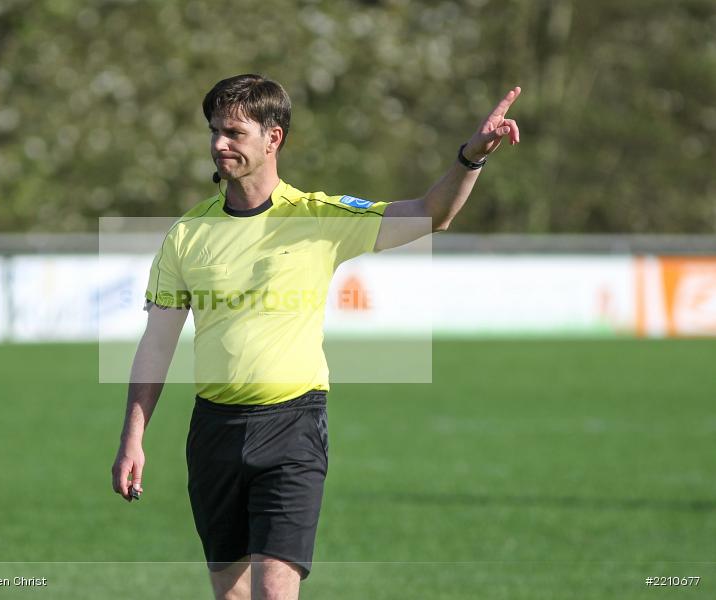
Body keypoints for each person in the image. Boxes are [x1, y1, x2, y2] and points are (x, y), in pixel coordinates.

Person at [112, 73, 521, 599]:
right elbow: (157, 345)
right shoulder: (187, 235)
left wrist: (471, 157)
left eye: (234, 132)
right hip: (212, 431)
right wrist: (133, 438)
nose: (218, 144)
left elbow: (429, 215)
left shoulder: (317, 218)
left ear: (273, 137)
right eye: (214, 131)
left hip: (292, 427)